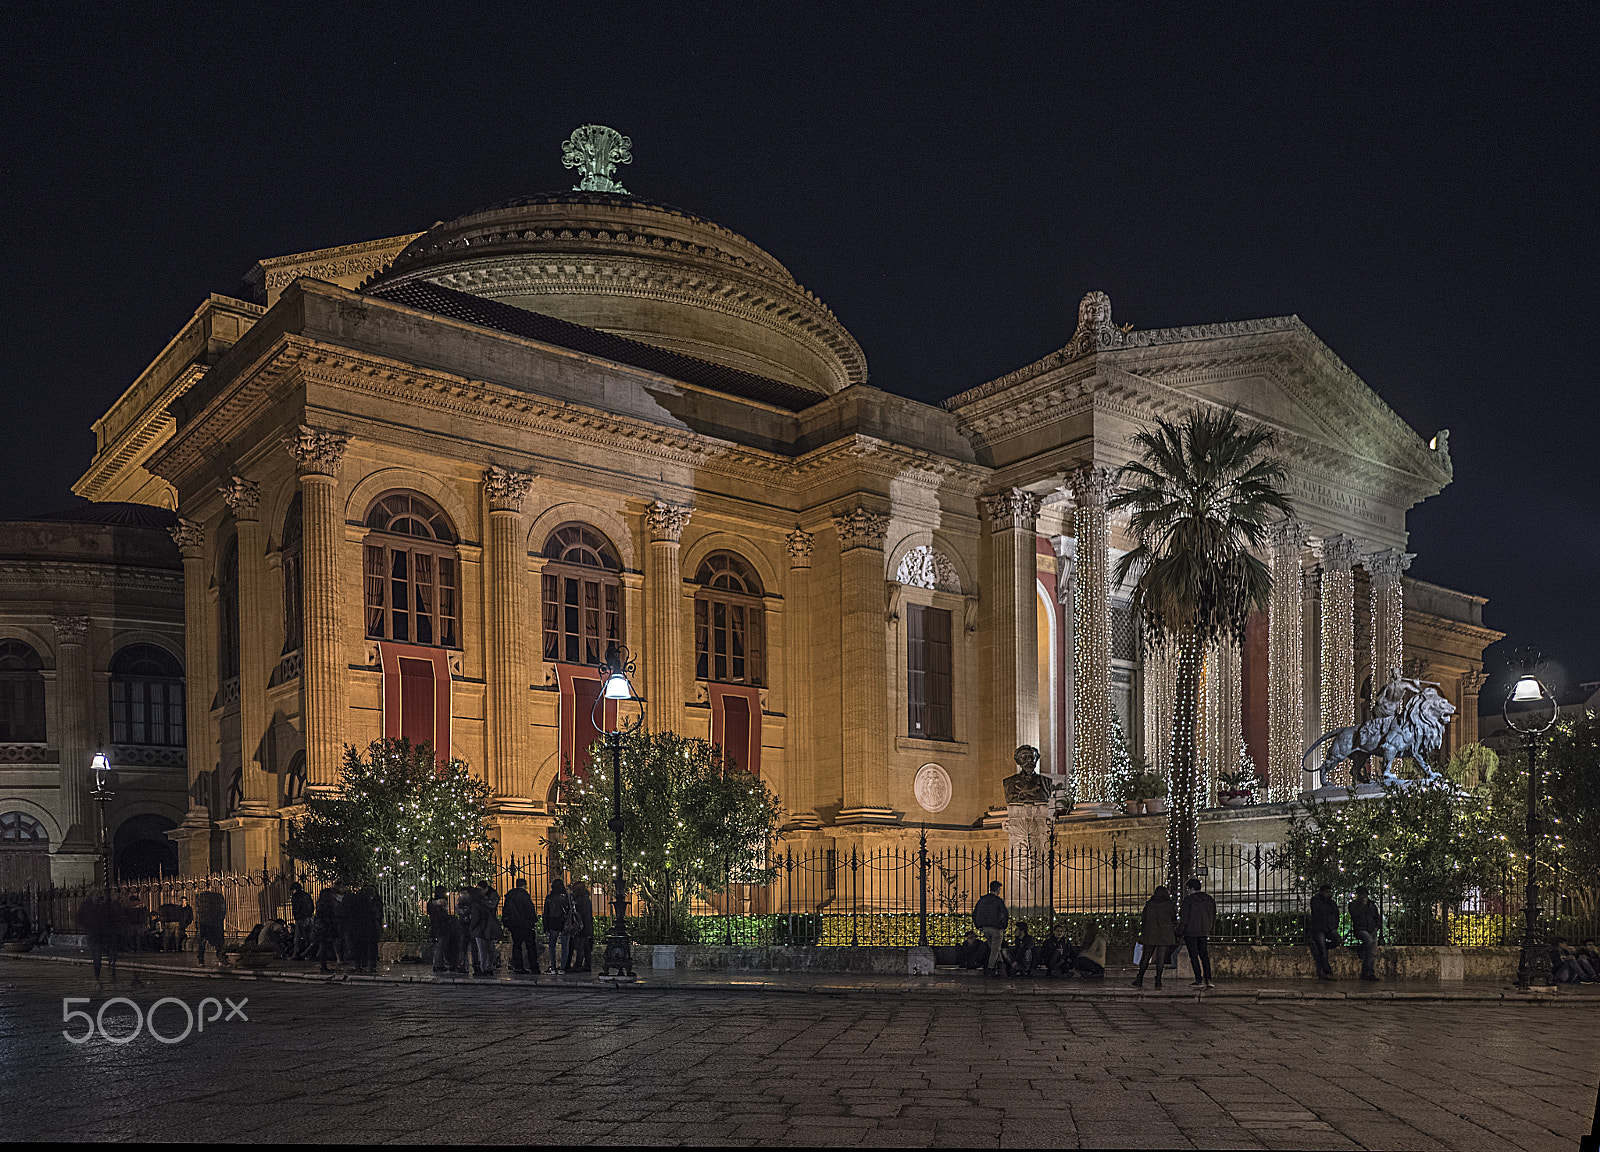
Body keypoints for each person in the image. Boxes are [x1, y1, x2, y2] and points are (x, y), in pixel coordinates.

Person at [1133, 885, 1178, 989]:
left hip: (1150, 933)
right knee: (1160, 957)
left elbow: (1144, 918)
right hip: (1164, 933)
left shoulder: (1149, 904)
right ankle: (1158, 980)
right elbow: (1173, 917)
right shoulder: (1169, 904)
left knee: (1146, 956)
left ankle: (1140, 978)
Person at [1179, 876, 1217, 989]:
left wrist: (1180, 931)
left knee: (1194, 956)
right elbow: (1213, 916)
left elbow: (1184, 918)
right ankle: (1208, 979)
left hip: (1191, 932)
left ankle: (1198, 979)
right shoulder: (1209, 899)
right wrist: (1210, 928)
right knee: (1204, 955)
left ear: (1190, 888)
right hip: (1204, 931)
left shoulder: (1188, 900)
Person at [76, 893, 120, 980]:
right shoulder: (88, 907)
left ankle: (109, 969)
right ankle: (97, 974)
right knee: (97, 955)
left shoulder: (103, 907)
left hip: (104, 934)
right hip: (95, 934)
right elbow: (80, 919)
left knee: (108, 952)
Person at [501, 878, 540, 973]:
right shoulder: (524, 895)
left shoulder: (510, 895)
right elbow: (529, 909)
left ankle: (518, 966)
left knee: (517, 945)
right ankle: (533, 967)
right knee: (530, 946)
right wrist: (533, 920)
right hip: (525, 924)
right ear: (524, 885)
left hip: (514, 925)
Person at [972, 881, 1009, 978]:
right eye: (999, 889)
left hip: (985, 928)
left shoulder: (982, 900)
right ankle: (990, 969)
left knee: (994, 948)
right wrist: (1004, 926)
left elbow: (974, 913)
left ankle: (1001, 965)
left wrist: (978, 925)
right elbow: (1005, 914)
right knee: (995, 950)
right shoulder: (998, 900)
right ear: (997, 889)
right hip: (996, 928)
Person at [1348, 886, 1382, 982]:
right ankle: (1360, 949)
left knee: (1371, 953)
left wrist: (1377, 926)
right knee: (1369, 941)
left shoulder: (1371, 905)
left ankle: (1368, 973)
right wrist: (1361, 905)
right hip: (1360, 929)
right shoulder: (1353, 905)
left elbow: (1376, 916)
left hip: (1372, 929)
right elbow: (1354, 915)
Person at [1308, 884, 1340, 981]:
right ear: (1322, 892)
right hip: (1319, 928)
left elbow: (1336, 914)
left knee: (1337, 940)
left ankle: (1323, 947)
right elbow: (1319, 912)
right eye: (1327, 892)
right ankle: (1326, 971)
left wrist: (1334, 925)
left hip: (1330, 928)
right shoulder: (1316, 900)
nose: (1329, 894)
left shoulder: (1331, 903)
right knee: (1323, 951)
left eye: (1330, 892)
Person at [543, 878, 573, 974]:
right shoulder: (567, 897)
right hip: (565, 923)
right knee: (565, 946)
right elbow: (571, 911)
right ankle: (562, 968)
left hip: (553, 923)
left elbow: (546, 913)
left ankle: (553, 967)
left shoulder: (549, 897)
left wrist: (545, 926)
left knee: (552, 946)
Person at [194, 888, 227, 966]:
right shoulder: (218, 899)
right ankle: (221, 958)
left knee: (203, 943)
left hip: (206, 923)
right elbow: (223, 911)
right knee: (218, 942)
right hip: (212, 923)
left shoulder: (201, 901)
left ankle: (201, 960)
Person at [426, 886, 455, 972]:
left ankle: (439, 964)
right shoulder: (437, 904)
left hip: (437, 927)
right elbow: (442, 916)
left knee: (439, 946)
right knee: (440, 946)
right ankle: (438, 964)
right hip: (440, 927)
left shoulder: (432, 903)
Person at [569, 881, 595, 973]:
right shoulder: (586, 899)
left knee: (580, 946)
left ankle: (578, 964)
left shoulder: (580, 900)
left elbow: (578, 913)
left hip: (582, 926)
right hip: (587, 926)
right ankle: (587, 964)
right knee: (586, 946)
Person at [289, 882, 314, 959]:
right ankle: (309, 954)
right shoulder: (306, 895)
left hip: (301, 918)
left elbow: (296, 908)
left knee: (298, 938)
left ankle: (296, 954)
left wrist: (296, 916)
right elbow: (312, 906)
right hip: (309, 918)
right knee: (309, 937)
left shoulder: (296, 896)